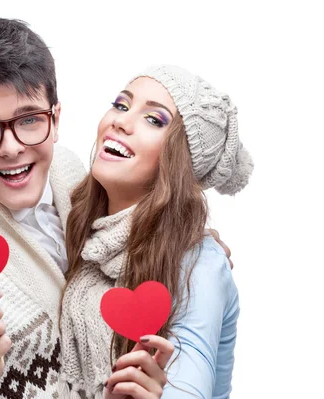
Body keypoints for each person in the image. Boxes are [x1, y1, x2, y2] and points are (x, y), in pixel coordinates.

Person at [0, 18, 233, 399]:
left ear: (56, 117)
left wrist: (182, 233)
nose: (11, 148)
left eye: (29, 119)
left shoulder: (70, 174)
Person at [58, 65, 253, 398]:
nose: (120, 120)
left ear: (178, 161)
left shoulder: (200, 265)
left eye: (154, 120)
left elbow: (191, 387)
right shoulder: (80, 224)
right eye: (121, 105)